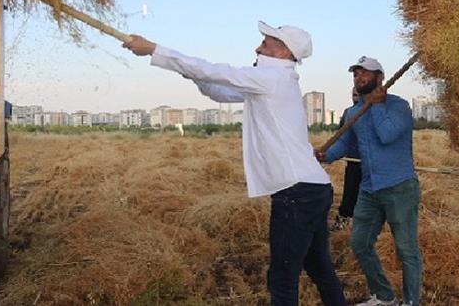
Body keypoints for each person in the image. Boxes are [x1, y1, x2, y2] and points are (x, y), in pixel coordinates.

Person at [122, 21, 346, 306]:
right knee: (318, 267)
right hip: (312, 189)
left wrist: (154, 49)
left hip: (298, 192)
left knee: (282, 278)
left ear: (282, 53)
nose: (257, 47)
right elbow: (220, 91)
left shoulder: (271, 78)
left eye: (265, 44)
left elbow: (216, 71)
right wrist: (184, 69)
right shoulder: (271, 81)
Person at [317, 56, 421, 306]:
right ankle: (384, 296)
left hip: (399, 188)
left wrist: (377, 105)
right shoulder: (353, 112)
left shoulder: (399, 106)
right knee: (360, 243)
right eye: (356, 74)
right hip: (369, 189)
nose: (360, 78)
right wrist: (324, 155)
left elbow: (387, 135)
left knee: (406, 250)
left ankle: (410, 302)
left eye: (365, 73)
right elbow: (346, 143)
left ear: (379, 78)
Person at [332, 86, 362, 231]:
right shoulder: (348, 113)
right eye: (353, 93)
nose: (355, 95)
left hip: (373, 164)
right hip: (354, 161)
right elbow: (341, 138)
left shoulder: (374, 110)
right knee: (349, 194)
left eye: (358, 93)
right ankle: (341, 224)